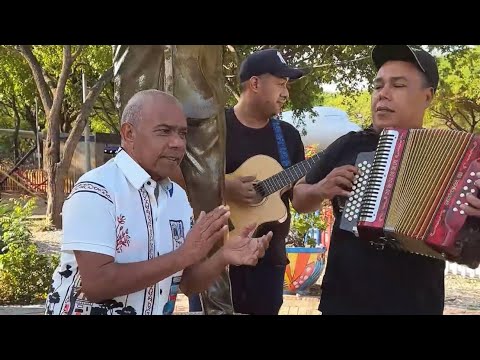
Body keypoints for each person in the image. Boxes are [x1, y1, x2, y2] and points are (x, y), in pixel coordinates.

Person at [44, 89, 272, 315]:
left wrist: (223, 257)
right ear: (129, 133)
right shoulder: (97, 190)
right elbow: (97, 284)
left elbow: (187, 284)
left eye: (182, 134)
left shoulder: (178, 198)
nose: (178, 143)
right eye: (164, 131)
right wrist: (182, 256)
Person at [293, 45, 454, 315]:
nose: (383, 94)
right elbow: (299, 199)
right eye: (378, 86)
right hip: (344, 302)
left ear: (428, 97)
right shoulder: (349, 144)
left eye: (398, 85)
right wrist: (320, 189)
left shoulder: (453, 158)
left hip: (417, 304)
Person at [112, 45, 234, 315]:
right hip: (139, 83)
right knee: (132, 211)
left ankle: (218, 309)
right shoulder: (97, 189)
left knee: (210, 214)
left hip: (201, 89)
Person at [224, 48, 307, 315]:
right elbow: (184, 176)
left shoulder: (288, 136)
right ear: (255, 83)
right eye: (281, 84)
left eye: (287, 86)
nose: (286, 93)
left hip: (269, 263)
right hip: (217, 260)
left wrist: (323, 186)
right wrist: (225, 186)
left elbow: (302, 197)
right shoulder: (217, 128)